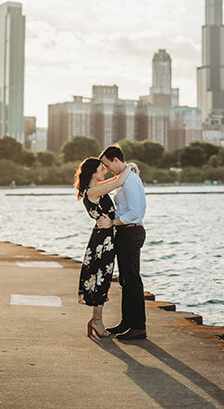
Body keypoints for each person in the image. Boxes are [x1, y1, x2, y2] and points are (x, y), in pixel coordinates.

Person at [73, 156, 136, 338]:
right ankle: (97, 321)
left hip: (105, 238)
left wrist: (127, 170)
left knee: (103, 279)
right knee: (100, 279)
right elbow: (119, 182)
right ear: (93, 172)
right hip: (102, 242)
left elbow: (117, 180)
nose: (105, 171)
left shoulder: (95, 189)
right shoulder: (92, 192)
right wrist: (130, 165)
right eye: (102, 169)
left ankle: (96, 320)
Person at [95, 144, 147, 341]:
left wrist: (111, 222)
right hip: (125, 232)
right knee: (125, 280)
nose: (107, 170)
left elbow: (134, 212)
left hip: (131, 232)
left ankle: (139, 327)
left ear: (116, 160)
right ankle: (127, 322)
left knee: (132, 279)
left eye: (108, 165)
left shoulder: (131, 180)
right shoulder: (126, 177)